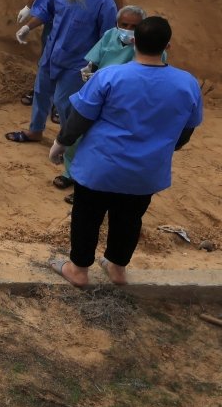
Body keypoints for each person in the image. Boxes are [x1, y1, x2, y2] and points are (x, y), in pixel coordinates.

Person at [55, 15, 202, 288]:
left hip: (100, 166)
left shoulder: (109, 76)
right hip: (146, 171)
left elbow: (80, 118)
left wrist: (61, 142)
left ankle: (78, 270)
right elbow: (185, 131)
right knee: (130, 219)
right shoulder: (188, 83)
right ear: (167, 45)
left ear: (133, 42)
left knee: (87, 216)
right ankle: (117, 268)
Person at [8, 0, 119, 144]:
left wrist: (96, 63)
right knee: (41, 92)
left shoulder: (103, 0)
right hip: (52, 52)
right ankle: (35, 131)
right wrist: (28, 27)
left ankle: (67, 142)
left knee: (63, 103)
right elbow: (45, 11)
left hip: (78, 61)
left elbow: (107, 36)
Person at [50, 5, 147, 190]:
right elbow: (96, 59)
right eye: (124, 24)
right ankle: (70, 173)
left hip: (123, 102)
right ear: (117, 23)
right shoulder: (111, 35)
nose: (128, 30)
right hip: (97, 93)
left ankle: (87, 186)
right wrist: (90, 71)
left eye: (134, 26)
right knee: (78, 135)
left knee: (102, 144)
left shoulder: (148, 46)